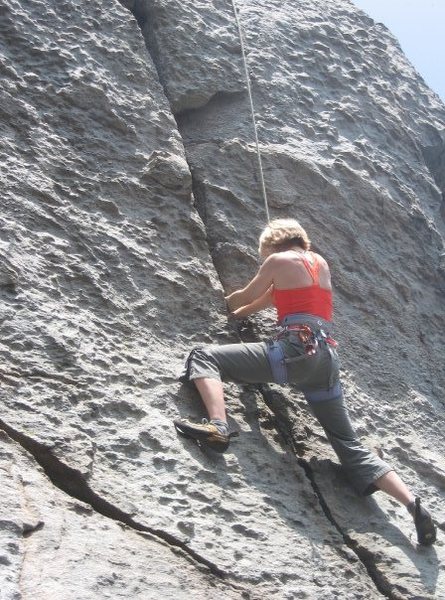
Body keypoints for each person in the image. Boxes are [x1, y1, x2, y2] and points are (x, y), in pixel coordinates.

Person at [174, 218, 436, 546]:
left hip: (293, 352)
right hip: (325, 358)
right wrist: (242, 313)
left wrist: (224, 301)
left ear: (271, 244)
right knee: (348, 443)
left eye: (264, 251)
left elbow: (247, 295)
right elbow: (265, 302)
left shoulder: (275, 260)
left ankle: (217, 426)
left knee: (205, 356)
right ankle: (413, 504)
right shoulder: (320, 264)